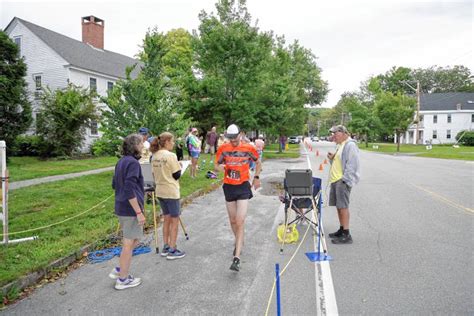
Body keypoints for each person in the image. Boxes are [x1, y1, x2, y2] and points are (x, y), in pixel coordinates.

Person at [215, 124, 261, 272]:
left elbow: (258, 162)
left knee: (240, 221)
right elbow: (216, 164)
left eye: (235, 139)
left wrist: (257, 177)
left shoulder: (249, 148)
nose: (233, 142)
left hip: (242, 187)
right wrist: (220, 168)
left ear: (240, 135)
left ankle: (237, 257)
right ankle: (239, 241)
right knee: (233, 221)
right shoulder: (223, 148)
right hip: (229, 187)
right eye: (230, 139)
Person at [110, 134, 145, 290]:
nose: (143, 146)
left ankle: (120, 269)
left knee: (133, 240)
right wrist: (138, 212)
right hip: (130, 209)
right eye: (141, 144)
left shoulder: (121, 162)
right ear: (135, 146)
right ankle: (122, 279)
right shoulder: (133, 163)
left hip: (121, 207)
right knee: (129, 243)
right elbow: (129, 188)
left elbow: (114, 184)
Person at [150, 132, 186, 260]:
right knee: (175, 221)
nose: (174, 143)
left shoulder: (154, 156)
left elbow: (153, 174)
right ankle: (173, 249)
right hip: (171, 191)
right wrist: (180, 167)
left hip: (160, 191)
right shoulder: (171, 156)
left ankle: (166, 246)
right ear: (166, 142)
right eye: (172, 141)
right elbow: (176, 175)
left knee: (166, 219)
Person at [327, 125, 360, 244]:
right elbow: (339, 163)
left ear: (342, 132)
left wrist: (345, 180)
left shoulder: (350, 145)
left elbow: (352, 164)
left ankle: (347, 234)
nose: (333, 136)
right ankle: (341, 229)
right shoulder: (341, 145)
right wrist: (332, 158)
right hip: (335, 180)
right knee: (338, 206)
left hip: (342, 180)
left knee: (343, 206)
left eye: (335, 134)